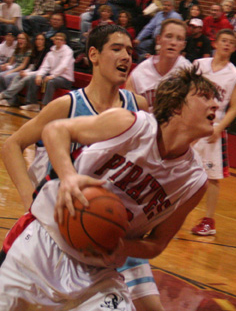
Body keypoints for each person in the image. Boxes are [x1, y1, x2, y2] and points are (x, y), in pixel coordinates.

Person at [0, 65, 219, 310]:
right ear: (177, 105)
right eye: (204, 97)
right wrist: (69, 177)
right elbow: (55, 130)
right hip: (44, 241)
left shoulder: (194, 181)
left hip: (99, 270)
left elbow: (157, 243)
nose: (215, 105)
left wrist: (120, 246)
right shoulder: (131, 124)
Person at [0, 24, 169, 311]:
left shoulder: (137, 107)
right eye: (116, 49)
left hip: (112, 228)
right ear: (93, 54)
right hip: (64, 227)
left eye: (129, 50)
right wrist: (30, 198)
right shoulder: (67, 105)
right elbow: (11, 145)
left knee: (153, 307)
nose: (126, 56)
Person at [191, 29, 236, 236]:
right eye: (223, 40)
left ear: (234, 47)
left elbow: (235, 107)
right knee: (175, 167)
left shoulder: (235, 75)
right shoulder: (198, 65)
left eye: (231, 42)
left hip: (213, 127)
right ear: (215, 42)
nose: (227, 44)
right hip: (191, 123)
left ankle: (209, 221)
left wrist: (220, 128)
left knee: (212, 177)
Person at [126, 18, 190, 112]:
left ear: (184, 45)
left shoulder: (189, 72)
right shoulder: (139, 73)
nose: (173, 42)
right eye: (169, 36)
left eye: (179, 39)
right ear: (158, 39)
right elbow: (126, 108)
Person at [19, 32, 74, 110]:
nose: (58, 41)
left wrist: (52, 76)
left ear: (64, 42)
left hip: (65, 79)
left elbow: (63, 66)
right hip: (52, 76)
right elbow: (44, 66)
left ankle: (45, 106)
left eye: (61, 40)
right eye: (57, 39)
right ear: (54, 41)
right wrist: (39, 75)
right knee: (33, 77)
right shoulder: (50, 52)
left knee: (51, 82)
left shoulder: (68, 52)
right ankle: (32, 103)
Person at [0, 33, 49, 107]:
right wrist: (25, 72)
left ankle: (6, 96)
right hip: (29, 71)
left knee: (11, 77)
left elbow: (42, 69)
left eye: (41, 39)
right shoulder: (34, 51)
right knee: (14, 76)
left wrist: (26, 73)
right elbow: (31, 66)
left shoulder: (46, 53)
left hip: (40, 73)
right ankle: (8, 98)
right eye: (38, 39)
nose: (39, 41)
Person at [0, 32, 31, 98]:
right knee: (0, 75)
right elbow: (10, 62)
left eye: (23, 39)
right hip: (14, 68)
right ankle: (2, 95)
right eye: (19, 38)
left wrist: (10, 72)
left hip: (21, 70)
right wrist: (5, 65)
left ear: (26, 41)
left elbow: (23, 66)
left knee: (6, 77)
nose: (20, 40)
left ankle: (12, 99)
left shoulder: (28, 51)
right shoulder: (17, 50)